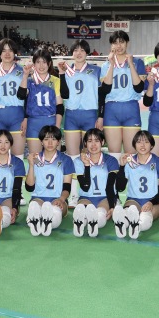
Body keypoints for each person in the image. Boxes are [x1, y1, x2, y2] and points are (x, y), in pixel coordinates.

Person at [57, 40, 102, 207]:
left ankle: (91, 192)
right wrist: (61, 74)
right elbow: (64, 94)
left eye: (82, 50)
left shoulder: (96, 70)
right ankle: (74, 194)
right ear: (72, 53)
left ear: (87, 53)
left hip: (90, 114)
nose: (79, 53)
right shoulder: (66, 70)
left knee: (90, 154)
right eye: (75, 50)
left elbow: (102, 95)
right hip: (72, 115)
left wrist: (100, 116)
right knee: (73, 156)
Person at [110, 130, 159, 240]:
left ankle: (137, 227)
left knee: (146, 215)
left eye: (146, 142)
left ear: (152, 145)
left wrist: (151, 202)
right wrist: (122, 167)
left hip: (154, 201)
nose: (142, 145)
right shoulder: (129, 162)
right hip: (133, 200)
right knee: (130, 210)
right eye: (139, 142)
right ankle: (122, 224)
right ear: (134, 145)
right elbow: (120, 188)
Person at [100, 31, 147, 163]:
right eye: (115, 43)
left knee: (130, 155)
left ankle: (130, 177)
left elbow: (139, 88)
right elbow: (105, 89)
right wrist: (111, 64)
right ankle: (115, 177)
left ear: (127, 43)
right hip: (111, 110)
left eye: (122, 42)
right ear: (111, 45)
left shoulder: (138, 62)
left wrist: (130, 64)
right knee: (114, 154)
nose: (119, 45)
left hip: (131, 108)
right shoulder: (105, 65)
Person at [25, 126, 75, 237]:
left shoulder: (66, 160)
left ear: (58, 141)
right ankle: (36, 220)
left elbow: (67, 187)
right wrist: (31, 165)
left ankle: (46, 223)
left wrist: (61, 199)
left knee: (56, 211)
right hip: (38, 198)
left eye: (53, 139)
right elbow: (29, 188)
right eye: (46, 139)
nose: (50, 142)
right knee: (34, 206)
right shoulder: (35, 159)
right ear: (41, 142)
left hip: (58, 198)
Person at [71, 128, 120, 237]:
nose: (93, 144)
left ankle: (92, 223)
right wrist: (87, 165)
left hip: (105, 197)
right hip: (86, 197)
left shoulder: (111, 160)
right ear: (85, 143)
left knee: (101, 215)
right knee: (81, 211)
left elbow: (110, 186)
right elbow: (85, 187)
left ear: (102, 142)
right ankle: (81, 222)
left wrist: (112, 206)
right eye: (89, 141)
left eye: (97, 140)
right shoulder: (78, 161)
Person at [17, 48, 63, 155]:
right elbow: (21, 96)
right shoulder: (29, 81)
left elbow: (60, 106)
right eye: (38, 62)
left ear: (49, 64)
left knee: (54, 159)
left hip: (51, 122)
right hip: (33, 123)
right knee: (35, 159)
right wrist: (25, 75)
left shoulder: (56, 81)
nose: (41, 65)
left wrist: (57, 126)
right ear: (34, 64)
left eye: (44, 62)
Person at [0, 38, 27, 159]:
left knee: (18, 156)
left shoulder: (22, 70)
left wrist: (26, 118)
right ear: (0, 53)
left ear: (15, 52)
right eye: (4, 51)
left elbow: (27, 98)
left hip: (17, 116)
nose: (7, 53)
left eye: (10, 50)